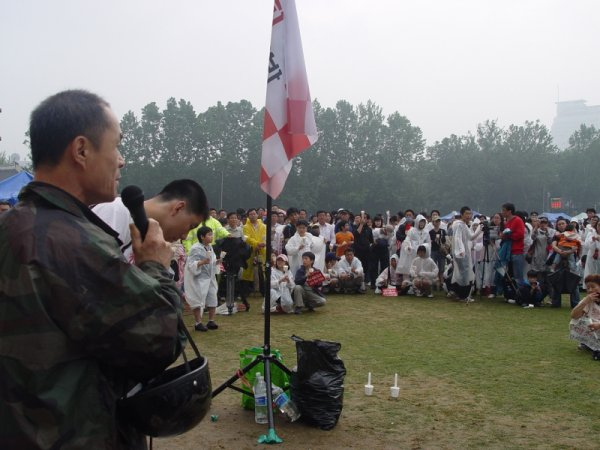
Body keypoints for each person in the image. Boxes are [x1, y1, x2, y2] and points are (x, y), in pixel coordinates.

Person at [0, 90, 184, 448]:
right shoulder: (72, 243)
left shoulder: (11, 227)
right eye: (116, 146)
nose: (121, 161)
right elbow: (159, 340)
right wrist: (155, 266)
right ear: (81, 150)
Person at [92, 179, 208, 263]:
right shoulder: (117, 211)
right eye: (191, 226)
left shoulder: (148, 243)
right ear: (178, 208)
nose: (184, 236)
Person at [184, 226, 220, 331]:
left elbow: (211, 261)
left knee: (212, 298)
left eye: (212, 234)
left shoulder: (210, 247)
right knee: (198, 300)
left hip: (210, 278)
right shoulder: (195, 248)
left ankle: (211, 320)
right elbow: (191, 264)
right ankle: (198, 323)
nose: (212, 236)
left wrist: (216, 262)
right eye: (209, 234)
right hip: (199, 278)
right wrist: (202, 262)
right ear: (202, 237)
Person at [451, 206, 483, 302]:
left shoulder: (464, 225)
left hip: (463, 252)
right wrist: (461, 250)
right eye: (467, 214)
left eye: (470, 214)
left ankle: (459, 293)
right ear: (462, 214)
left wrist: (480, 229)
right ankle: (463, 295)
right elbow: (458, 238)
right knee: (464, 273)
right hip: (461, 253)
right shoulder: (459, 225)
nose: (469, 216)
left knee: (463, 272)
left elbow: (471, 237)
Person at [570, 274, 600, 360]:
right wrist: (585, 301)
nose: (590, 290)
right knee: (575, 321)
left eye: (593, 287)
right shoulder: (588, 300)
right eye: (588, 288)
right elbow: (574, 315)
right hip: (593, 329)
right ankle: (587, 343)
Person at [500, 202, 526, 286]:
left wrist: (508, 236)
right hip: (508, 251)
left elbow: (520, 234)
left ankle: (520, 291)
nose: (502, 212)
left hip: (517, 251)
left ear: (509, 211)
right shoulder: (507, 222)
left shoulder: (518, 220)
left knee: (518, 275)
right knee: (510, 274)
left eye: (504, 210)